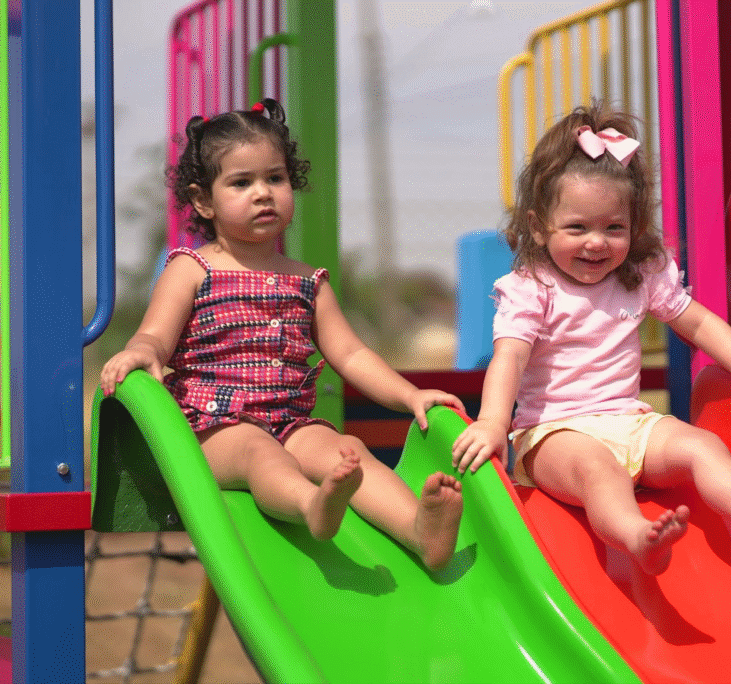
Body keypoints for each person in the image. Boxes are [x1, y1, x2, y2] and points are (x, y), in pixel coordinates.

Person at [451, 103, 731, 576]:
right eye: (577, 227)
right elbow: (509, 357)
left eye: (614, 228)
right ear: (537, 227)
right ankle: (634, 535)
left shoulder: (639, 277)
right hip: (554, 435)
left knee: (702, 447)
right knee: (599, 472)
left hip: (631, 422)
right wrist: (490, 423)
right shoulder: (534, 289)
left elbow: (699, 324)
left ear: (634, 229)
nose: (596, 242)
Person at [100, 99, 463, 570]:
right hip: (213, 431)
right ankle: (311, 507)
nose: (263, 193)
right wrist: (139, 353)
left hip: (290, 423)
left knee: (346, 452)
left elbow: (351, 355)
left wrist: (410, 396)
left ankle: (419, 528)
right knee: (259, 454)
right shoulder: (193, 269)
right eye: (241, 182)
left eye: (275, 178)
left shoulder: (309, 281)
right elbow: (154, 336)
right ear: (203, 200)